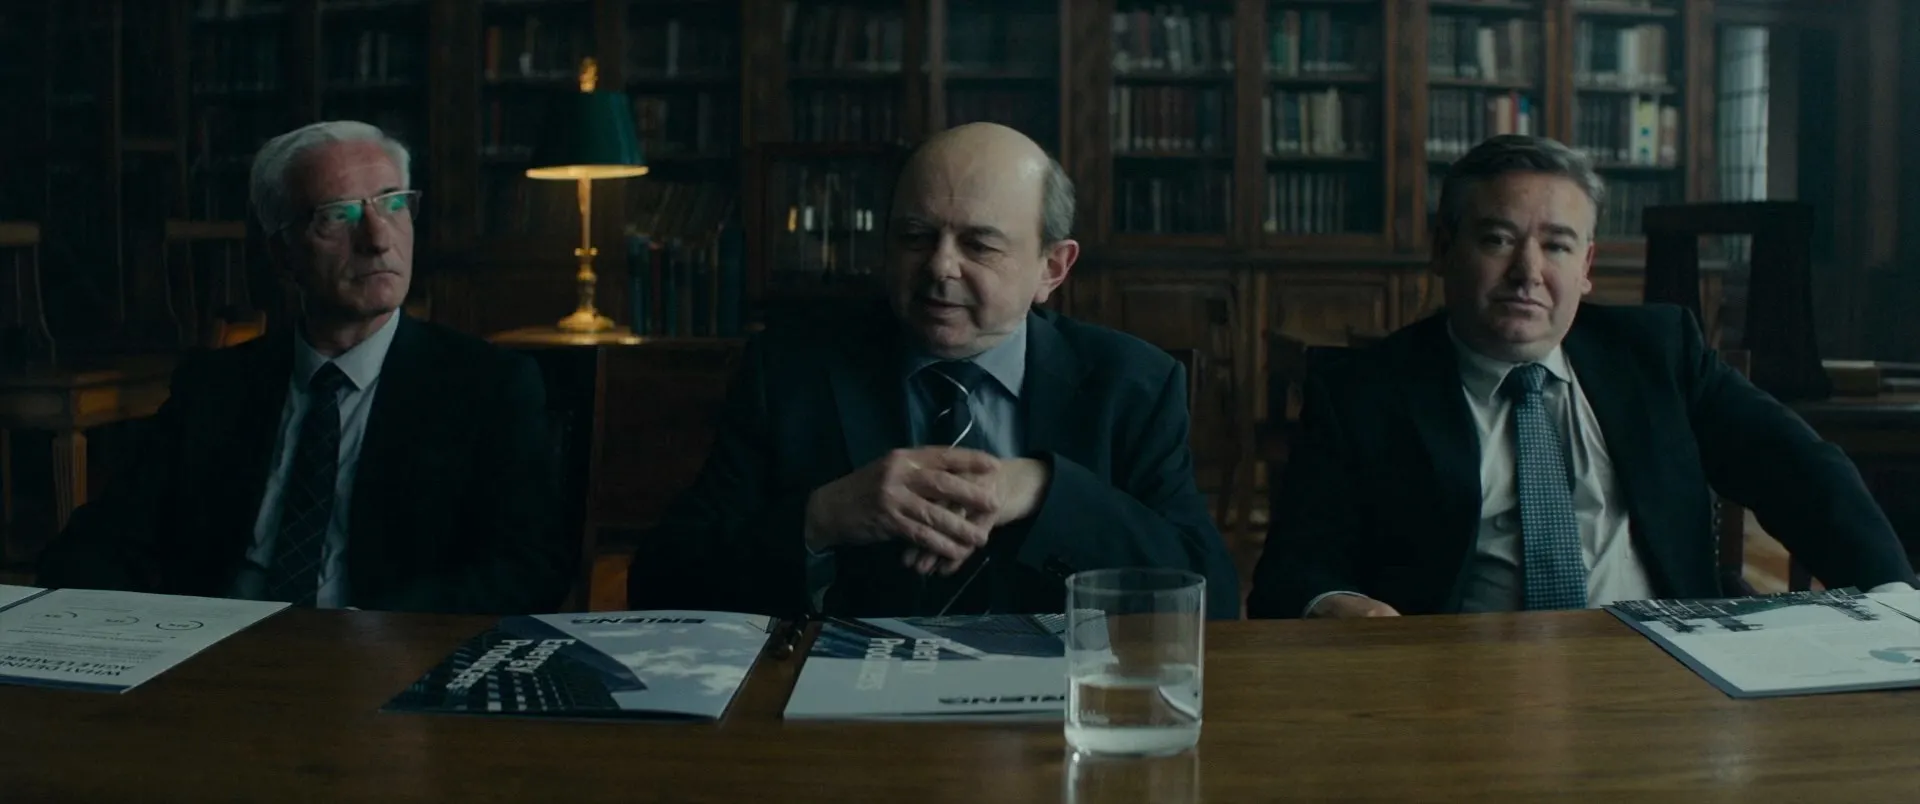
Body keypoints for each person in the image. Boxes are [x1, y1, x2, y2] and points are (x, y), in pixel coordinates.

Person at [1248, 134, 1915, 619]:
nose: (1528, 272)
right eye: (1498, 239)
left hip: (1662, 667)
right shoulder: (1363, 391)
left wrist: (1892, 595)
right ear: (1443, 249)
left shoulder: (1657, 353)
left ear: (1587, 266)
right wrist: (1334, 603)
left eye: (1557, 245)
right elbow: (1293, 569)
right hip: (1460, 686)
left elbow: (1797, 469)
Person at [629, 122, 1239, 619]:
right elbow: (660, 583)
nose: (940, 267)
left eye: (979, 245)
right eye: (916, 237)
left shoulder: (1131, 384)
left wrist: (1043, 489)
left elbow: (1211, 599)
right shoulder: (790, 372)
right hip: (847, 709)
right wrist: (822, 518)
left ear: (1052, 268)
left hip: (1051, 710)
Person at [37, 121, 570, 614]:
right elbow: (97, 545)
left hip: (384, 655)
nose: (378, 239)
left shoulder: (486, 386)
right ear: (282, 254)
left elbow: (528, 568)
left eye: (394, 204)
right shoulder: (215, 387)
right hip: (218, 655)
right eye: (338, 215)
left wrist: (375, 633)